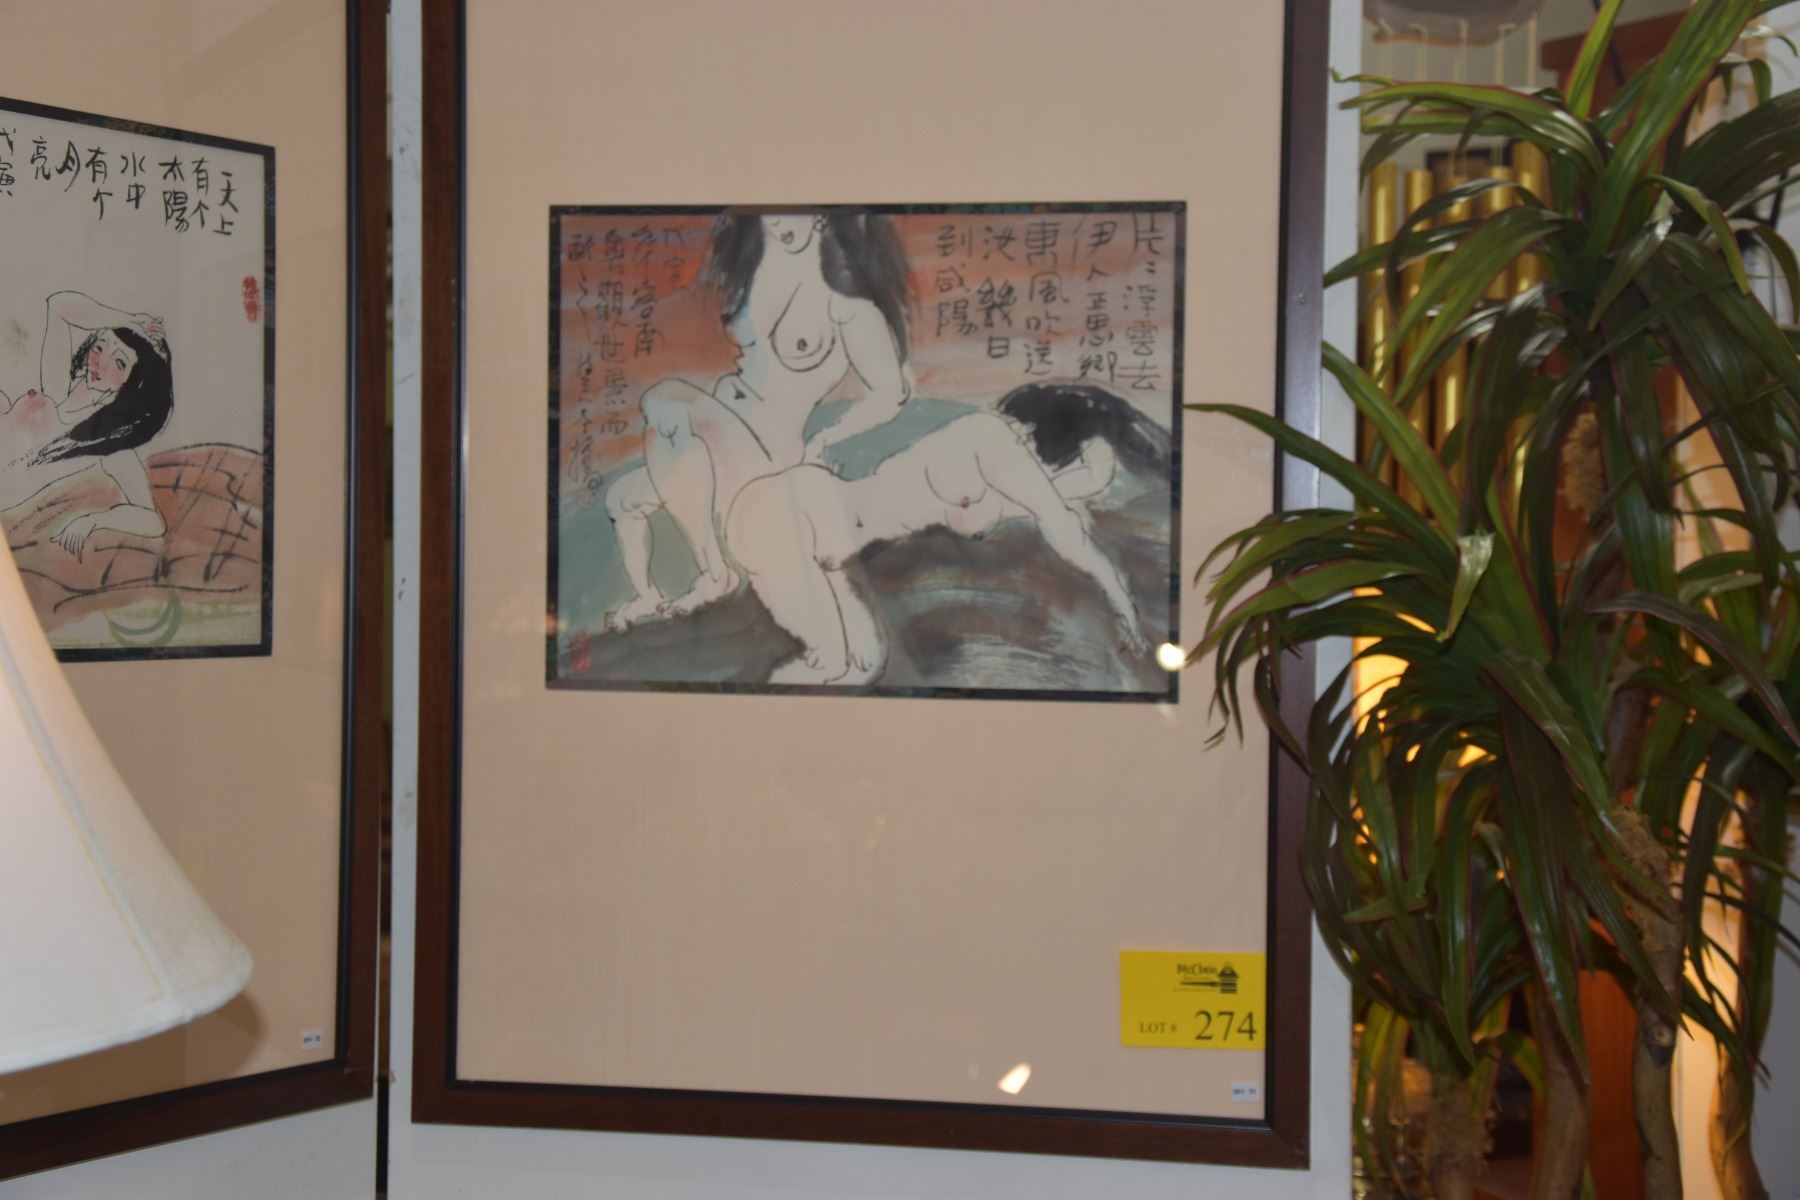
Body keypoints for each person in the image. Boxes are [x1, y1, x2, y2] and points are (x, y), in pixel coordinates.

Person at [725, 382, 1170, 685]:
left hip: (818, 545)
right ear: (1052, 440)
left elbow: (1062, 520)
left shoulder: (995, 479)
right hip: (791, 516)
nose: (1087, 488)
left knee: (859, 664)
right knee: (844, 667)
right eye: (1087, 471)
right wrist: (1122, 602)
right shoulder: (988, 439)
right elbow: (1067, 531)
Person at [600, 210, 912, 629]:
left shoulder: (849, 308)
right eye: (769, 218)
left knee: (665, 399)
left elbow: (891, 395)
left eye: (796, 213)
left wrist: (825, 439)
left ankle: (715, 575)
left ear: (823, 218)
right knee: (622, 499)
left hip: (767, 447)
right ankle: (648, 596)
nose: (780, 223)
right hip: (718, 429)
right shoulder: (762, 273)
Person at [1, 290, 172, 557]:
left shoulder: (107, 444)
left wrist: (93, 521)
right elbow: (59, 305)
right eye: (100, 347)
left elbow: (152, 521)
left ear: (132, 385)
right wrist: (130, 320)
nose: (100, 363)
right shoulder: (57, 392)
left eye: (119, 363)